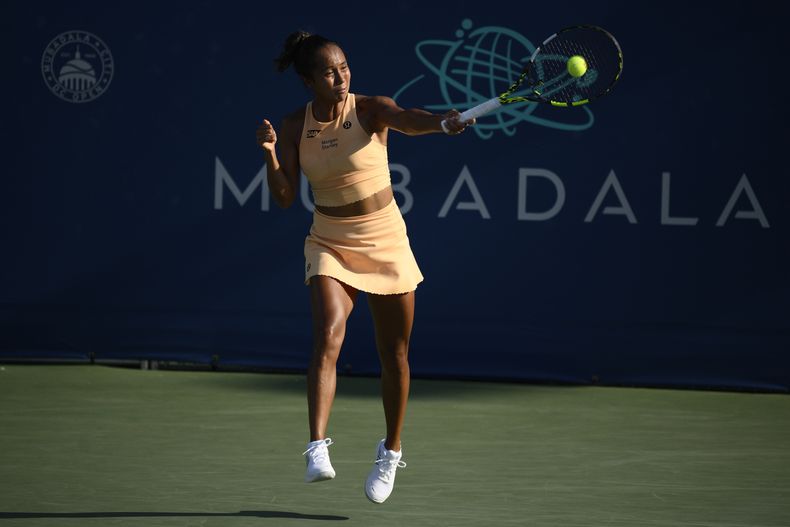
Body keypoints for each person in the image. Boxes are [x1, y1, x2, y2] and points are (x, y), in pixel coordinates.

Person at [256, 30, 473, 504]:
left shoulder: (371, 108)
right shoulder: (295, 126)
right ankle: (316, 446)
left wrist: (440, 124)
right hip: (329, 240)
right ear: (309, 79)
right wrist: (272, 155)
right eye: (329, 71)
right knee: (328, 333)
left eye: (344, 67)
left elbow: (406, 119)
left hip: (385, 240)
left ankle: (390, 451)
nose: (340, 77)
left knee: (394, 353)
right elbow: (287, 196)